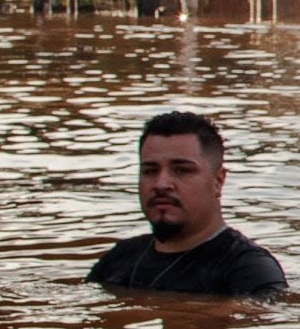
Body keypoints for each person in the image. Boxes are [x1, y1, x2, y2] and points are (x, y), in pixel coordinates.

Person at [88, 111, 287, 295]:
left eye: (181, 170)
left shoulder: (250, 271)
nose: (161, 184)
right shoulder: (119, 259)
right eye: (150, 171)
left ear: (218, 181)